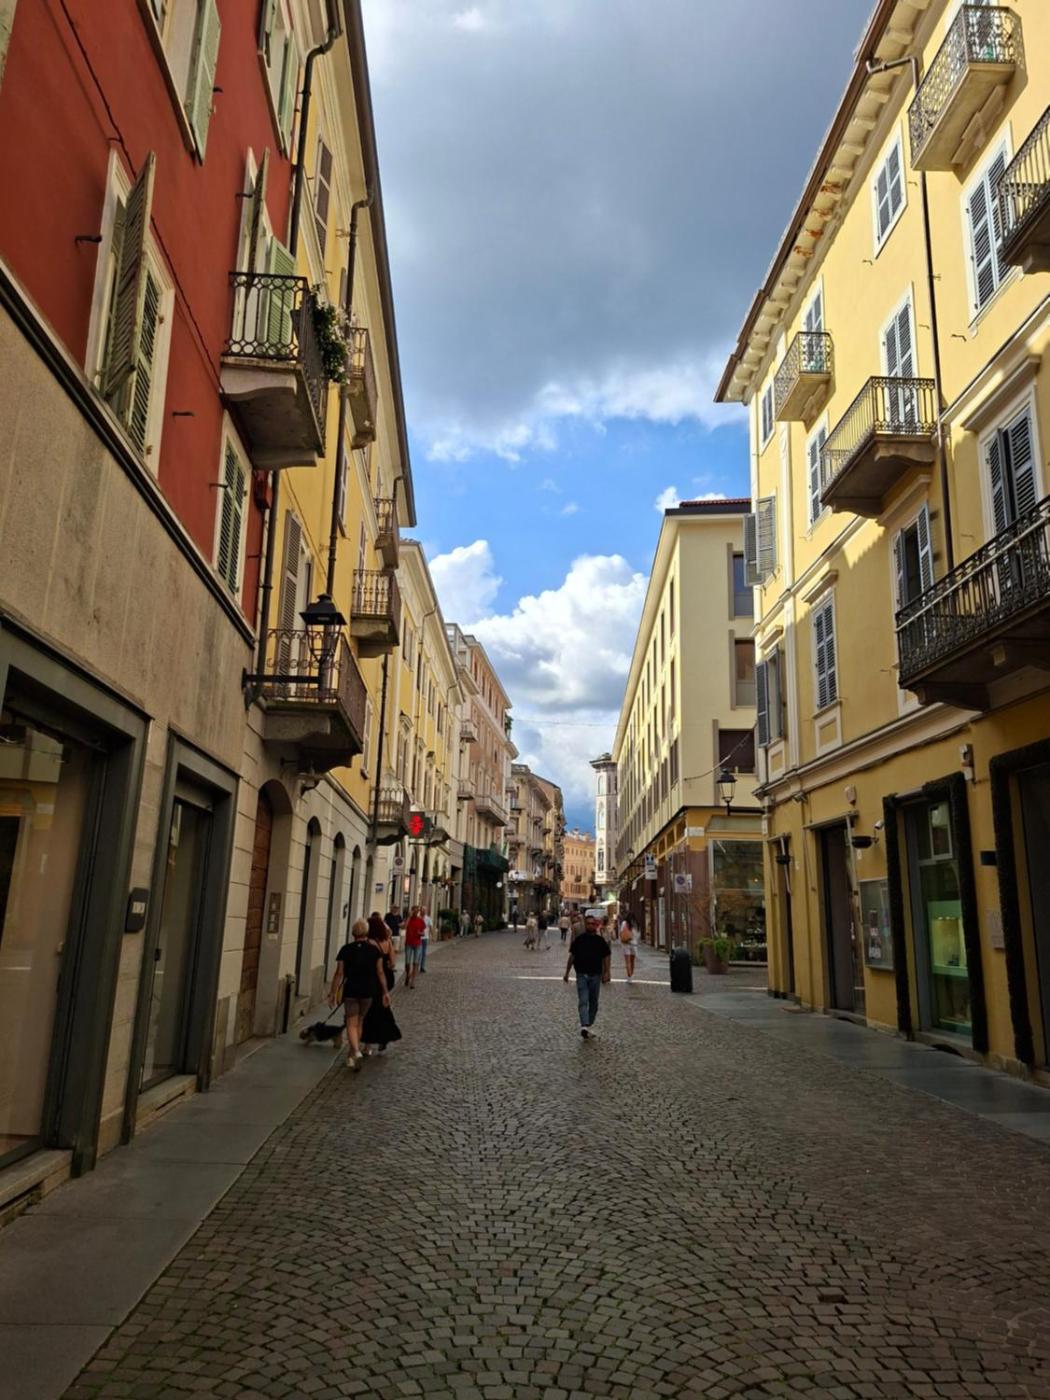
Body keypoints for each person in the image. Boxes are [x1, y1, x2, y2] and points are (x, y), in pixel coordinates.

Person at [330, 918, 389, 1070]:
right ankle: (351, 1055)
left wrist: (332, 992)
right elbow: (380, 972)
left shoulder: (345, 949)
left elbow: (339, 973)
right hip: (368, 991)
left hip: (351, 990)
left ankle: (355, 1051)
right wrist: (385, 992)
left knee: (351, 1023)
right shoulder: (374, 951)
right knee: (360, 1021)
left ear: (353, 933)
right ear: (366, 933)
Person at [563, 913, 611, 1039]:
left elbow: (606, 956)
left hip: (596, 975)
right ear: (585, 925)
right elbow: (572, 957)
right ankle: (584, 1025)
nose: (590, 926)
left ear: (595, 925)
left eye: (592, 924)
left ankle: (588, 1023)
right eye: (588, 924)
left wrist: (607, 972)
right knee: (583, 1000)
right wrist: (567, 973)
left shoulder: (600, 941)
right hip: (581, 975)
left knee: (594, 1002)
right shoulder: (579, 940)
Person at [362, 913, 402, 1055]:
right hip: (387, 978)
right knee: (381, 1008)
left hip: (374, 978)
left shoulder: (369, 943)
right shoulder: (387, 941)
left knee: (370, 1010)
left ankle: (368, 1044)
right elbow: (393, 963)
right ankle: (383, 1036)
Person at [403, 906, 425, 988]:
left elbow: (423, 933)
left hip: (417, 944)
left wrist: (420, 933)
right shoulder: (408, 919)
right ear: (411, 911)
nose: (416, 913)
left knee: (415, 963)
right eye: (414, 911)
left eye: (417, 911)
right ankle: (407, 975)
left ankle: (413, 981)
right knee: (407, 963)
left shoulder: (421, 920)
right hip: (408, 943)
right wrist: (409, 917)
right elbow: (404, 927)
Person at [619, 910, 640, 982]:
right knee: (632, 961)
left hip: (626, 944)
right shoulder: (636, 924)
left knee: (628, 961)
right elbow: (638, 935)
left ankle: (629, 977)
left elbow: (621, 932)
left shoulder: (624, 923)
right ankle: (632, 975)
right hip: (634, 944)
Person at [420, 907, 432, 973]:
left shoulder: (428, 918)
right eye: (422, 910)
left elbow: (430, 927)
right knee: (419, 953)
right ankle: (417, 966)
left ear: (426, 911)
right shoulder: (418, 918)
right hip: (418, 938)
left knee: (423, 953)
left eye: (424, 910)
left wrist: (431, 936)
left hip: (425, 938)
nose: (423, 911)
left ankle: (422, 967)